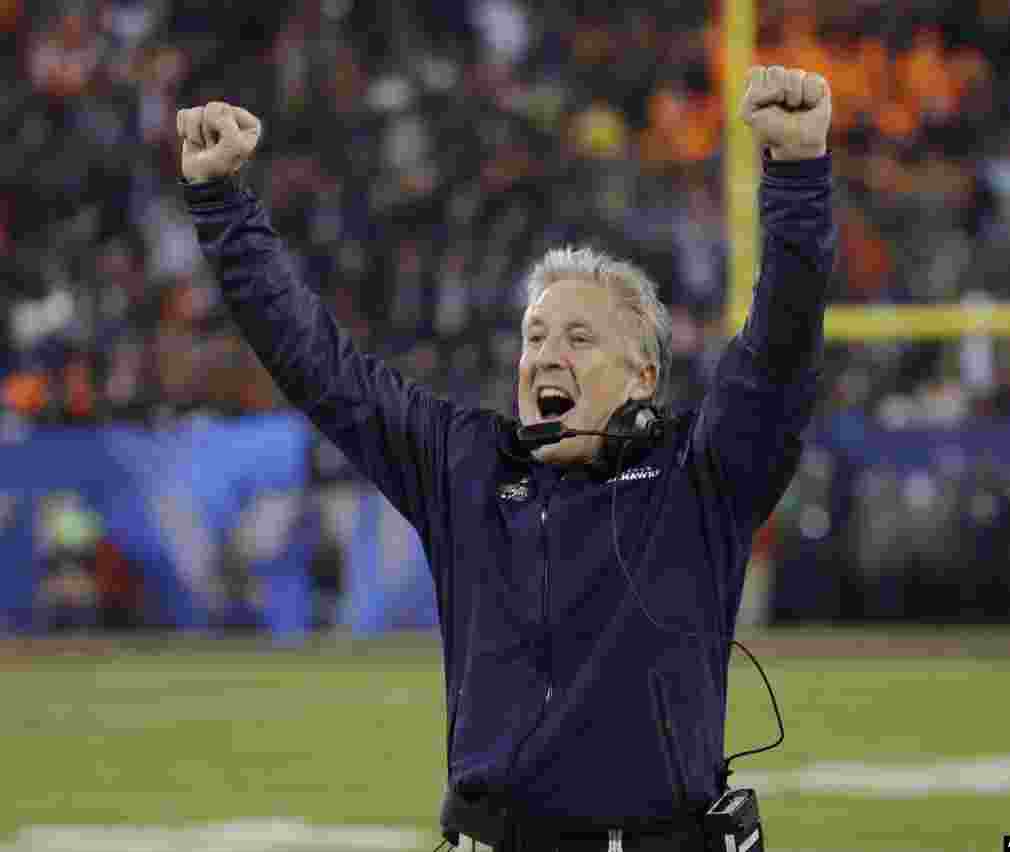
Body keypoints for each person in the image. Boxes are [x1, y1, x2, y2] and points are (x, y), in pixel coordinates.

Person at [176, 64, 834, 852]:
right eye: (534, 337)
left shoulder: (700, 473)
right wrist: (221, 202)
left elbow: (780, 349)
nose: (545, 356)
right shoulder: (467, 466)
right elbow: (316, 363)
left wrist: (796, 176)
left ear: (644, 376)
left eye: (579, 338)